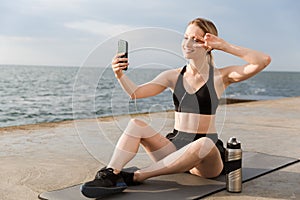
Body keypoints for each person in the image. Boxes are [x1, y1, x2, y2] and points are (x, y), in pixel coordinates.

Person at [80, 17, 271, 198]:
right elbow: (136, 93)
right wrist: (119, 74)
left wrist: (224, 46)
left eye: (194, 39)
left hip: (206, 159)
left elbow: (262, 60)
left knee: (204, 144)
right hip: (174, 149)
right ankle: (111, 174)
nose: (187, 43)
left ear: (208, 45)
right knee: (136, 124)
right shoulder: (172, 76)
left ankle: (137, 176)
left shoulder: (221, 76)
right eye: (185, 37)